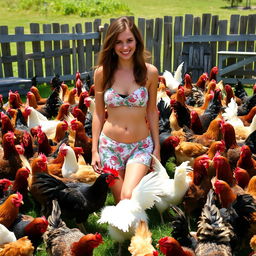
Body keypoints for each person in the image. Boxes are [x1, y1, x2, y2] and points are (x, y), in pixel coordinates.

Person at [91, 16, 160, 204]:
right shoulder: (102, 73)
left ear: (137, 41)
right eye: (119, 42)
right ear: (112, 45)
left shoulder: (150, 73)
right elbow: (97, 113)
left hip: (140, 146)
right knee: (121, 202)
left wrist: (157, 146)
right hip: (109, 147)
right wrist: (95, 150)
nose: (125, 47)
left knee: (128, 196)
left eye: (129, 40)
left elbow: (152, 111)